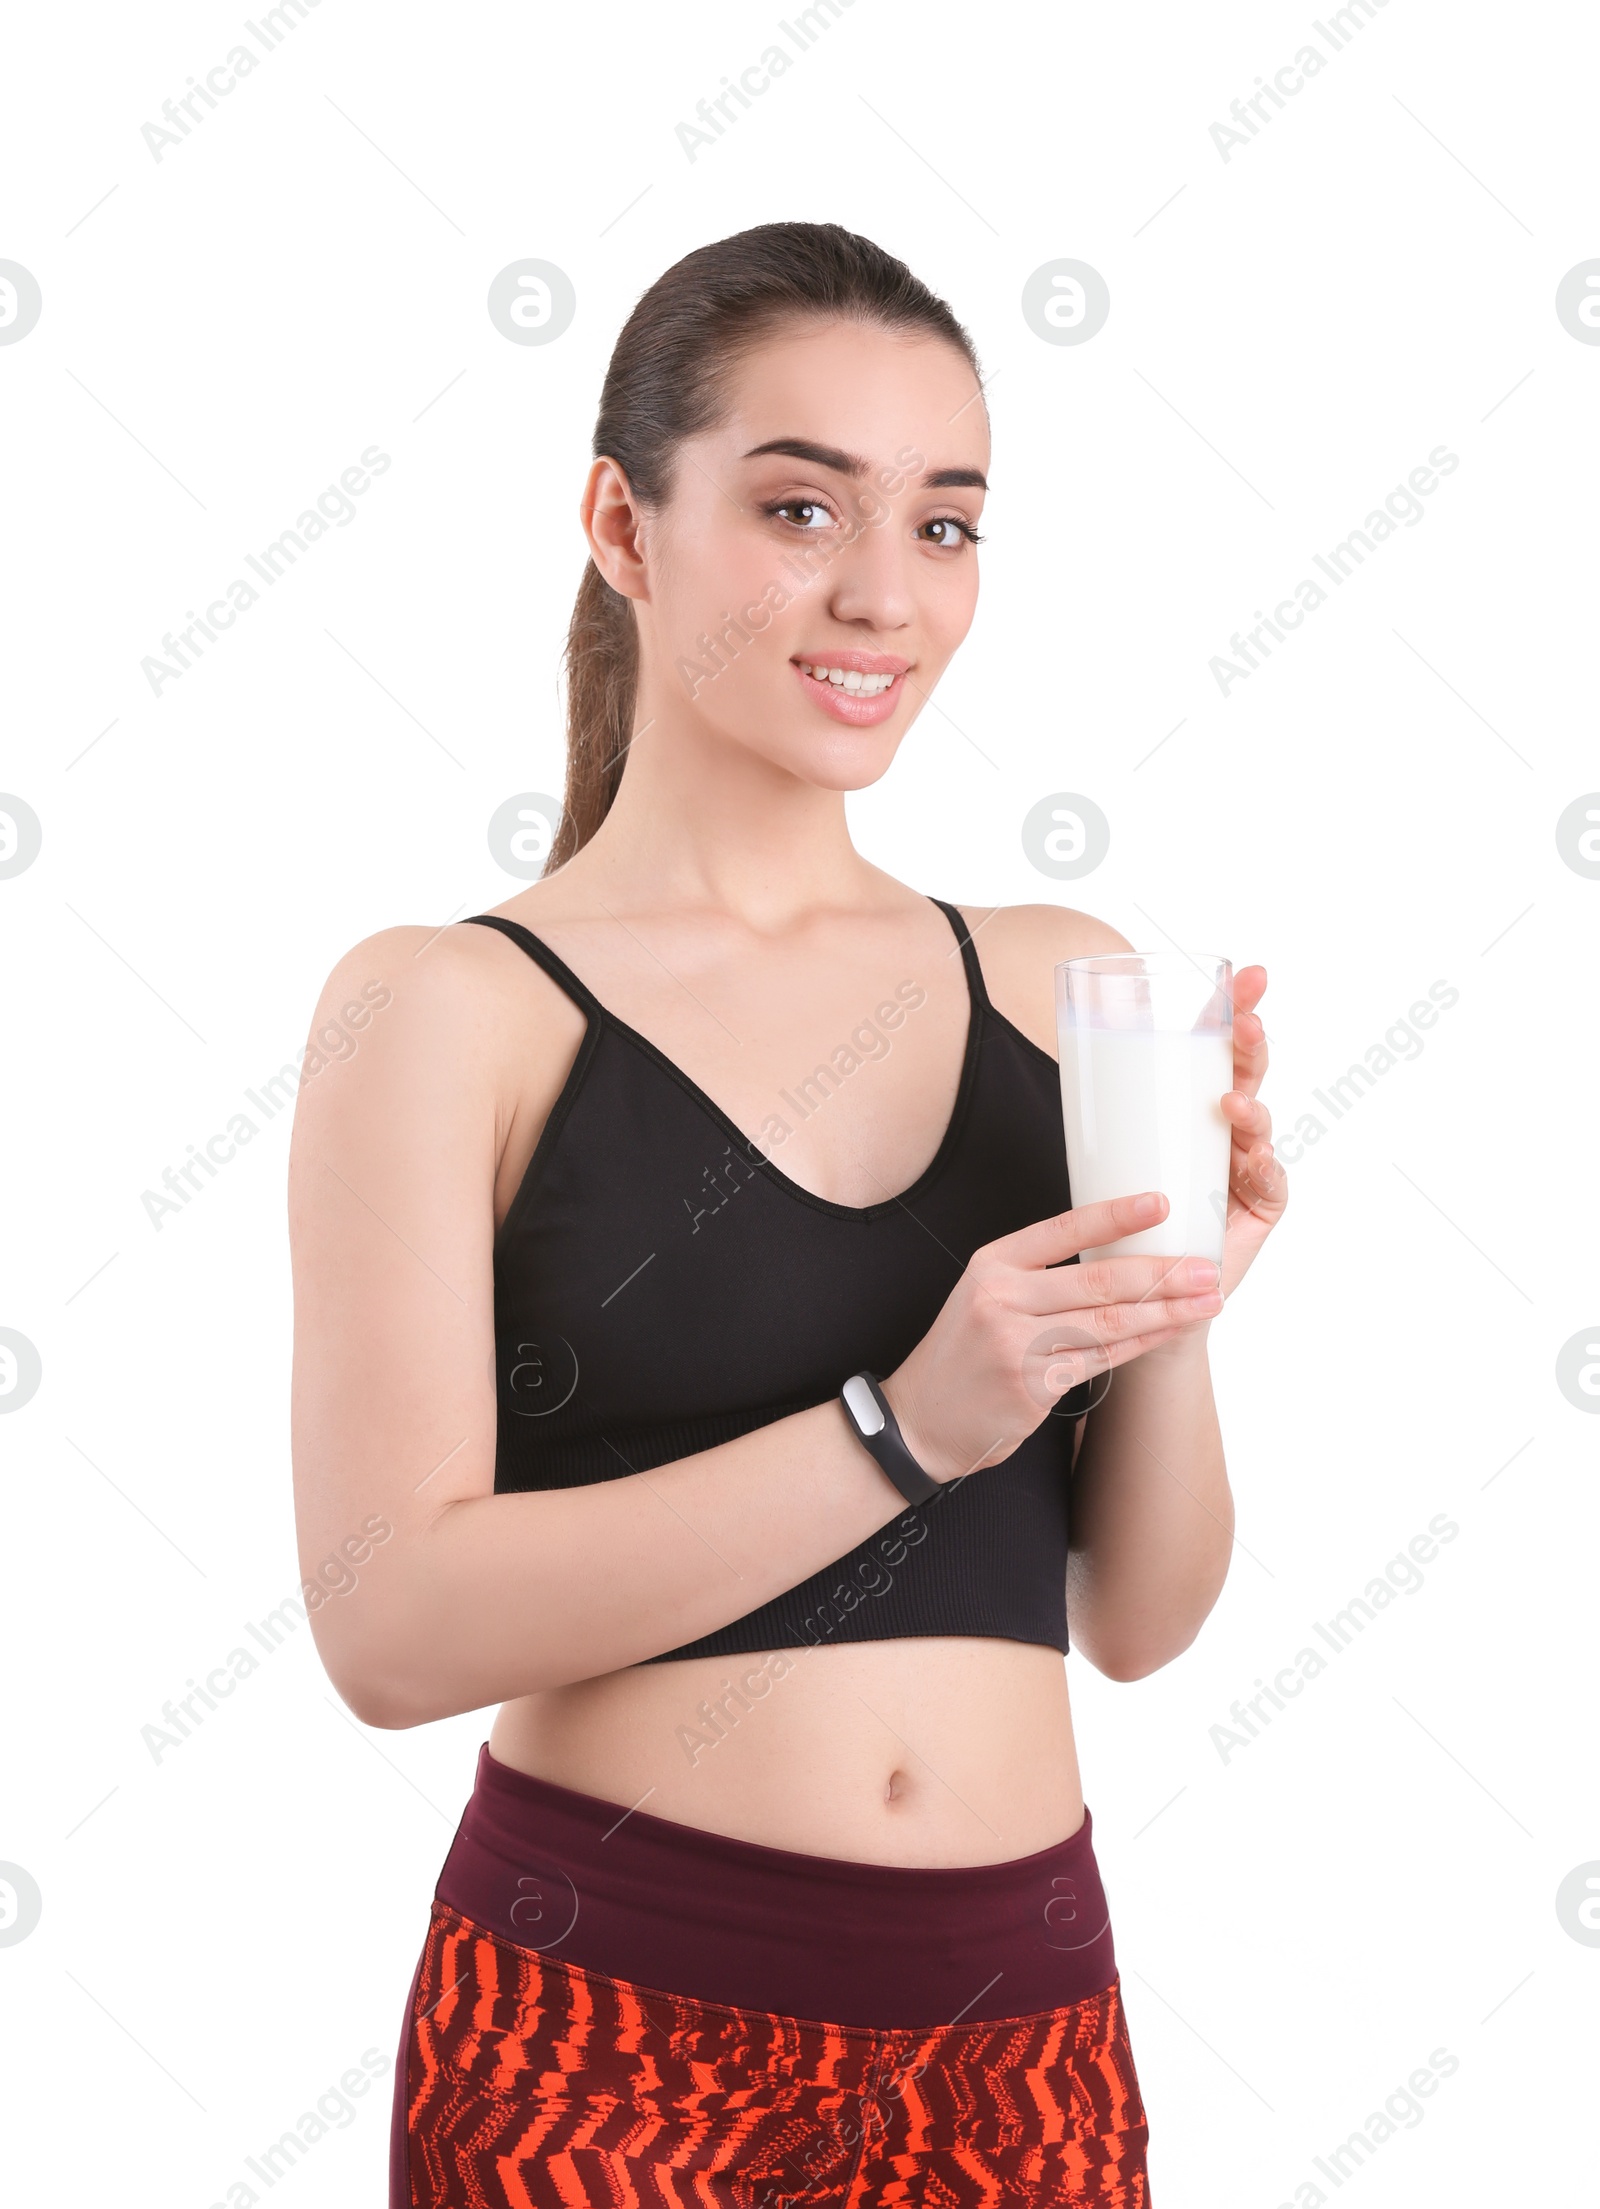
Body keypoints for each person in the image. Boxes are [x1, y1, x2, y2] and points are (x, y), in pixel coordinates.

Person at [288, 220, 1286, 2208]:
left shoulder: (1056, 978)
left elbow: (1139, 1619)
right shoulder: (444, 1008)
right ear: (620, 522)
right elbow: (389, 1628)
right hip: (601, 2040)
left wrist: (1165, 1315)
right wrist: (903, 1425)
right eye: (797, 505)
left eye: (942, 524)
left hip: (1023, 2035)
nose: (876, 593)